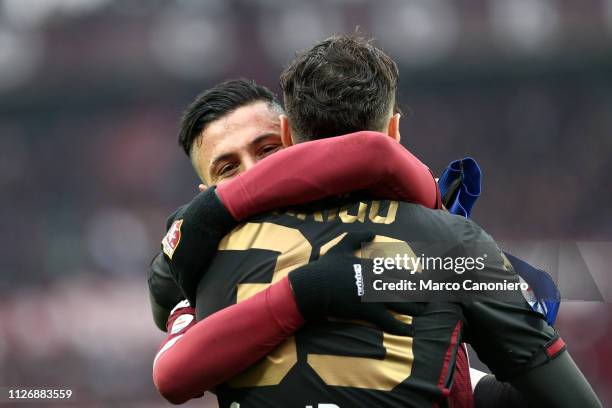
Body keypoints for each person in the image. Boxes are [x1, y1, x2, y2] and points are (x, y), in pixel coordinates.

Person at [155, 36, 601, 407]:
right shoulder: (447, 246)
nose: (253, 172)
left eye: (266, 151)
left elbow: (171, 362)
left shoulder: (201, 254)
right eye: (228, 169)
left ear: (289, 138)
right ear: (394, 130)